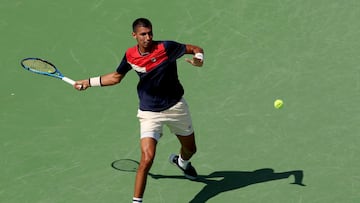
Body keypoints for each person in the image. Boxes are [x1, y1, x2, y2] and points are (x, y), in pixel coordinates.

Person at [73, 18, 204, 203]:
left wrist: (199, 59)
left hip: (176, 107)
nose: (148, 37)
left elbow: (195, 48)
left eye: (150, 33)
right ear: (134, 35)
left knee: (190, 149)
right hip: (149, 112)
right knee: (147, 158)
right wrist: (88, 82)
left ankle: (181, 162)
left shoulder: (167, 47)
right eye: (143, 34)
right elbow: (116, 77)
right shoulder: (130, 55)